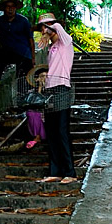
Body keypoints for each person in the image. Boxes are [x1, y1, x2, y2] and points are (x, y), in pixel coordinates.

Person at [35, 12, 76, 184]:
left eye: (47, 26)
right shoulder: (52, 48)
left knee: (61, 130)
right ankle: (55, 171)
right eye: (42, 27)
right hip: (50, 90)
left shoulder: (66, 42)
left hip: (63, 89)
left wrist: (49, 28)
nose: (44, 30)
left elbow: (58, 27)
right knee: (51, 131)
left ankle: (70, 172)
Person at [25, 64, 48, 150]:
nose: (44, 78)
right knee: (32, 113)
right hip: (37, 110)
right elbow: (34, 101)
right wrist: (40, 87)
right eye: (42, 76)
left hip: (49, 110)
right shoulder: (33, 90)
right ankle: (37, 136)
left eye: (46, 76)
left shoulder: (53, 88)